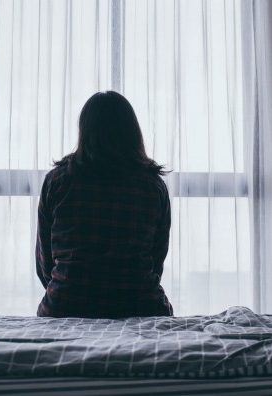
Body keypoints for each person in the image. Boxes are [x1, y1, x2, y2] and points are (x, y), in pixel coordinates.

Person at [35, 91, 173, 318]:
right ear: (132, 132)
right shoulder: (153, 186)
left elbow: (45, 263)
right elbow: (156, 259)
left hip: (65, 305)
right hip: (141, 306)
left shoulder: (57, 181)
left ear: (84, 131)